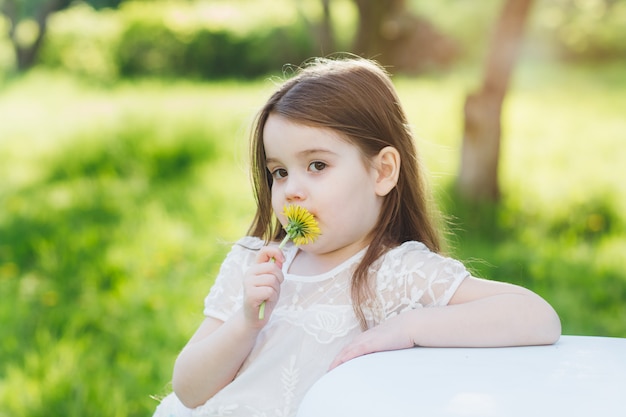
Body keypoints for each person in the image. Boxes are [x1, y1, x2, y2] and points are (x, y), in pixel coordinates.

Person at [152, 56, 561, 417]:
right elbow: (189, 390)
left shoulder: (396, 273)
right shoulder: (252, 262)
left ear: (382, 172)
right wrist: (244, 323)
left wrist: (411, 326)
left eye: (316, 165)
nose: (292, 188)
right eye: (279, 172)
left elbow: (537, 317)